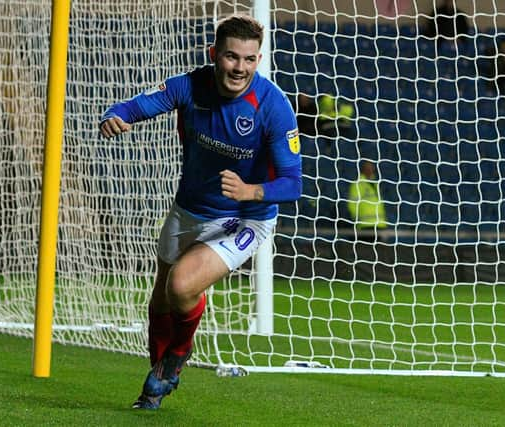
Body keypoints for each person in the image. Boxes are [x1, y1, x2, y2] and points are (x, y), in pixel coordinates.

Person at [99, 14, 302, 410]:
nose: (239, 68)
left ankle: (176, 357)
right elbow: (135, 104)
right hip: (189, 209)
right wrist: (115, 116)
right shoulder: (189, 85)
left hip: (245, 218)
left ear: (257, 60)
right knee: (160, 301)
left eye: (248, 59)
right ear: (214, 55)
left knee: (181, 285)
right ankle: (155, 384)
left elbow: (293, 183)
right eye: (230, 57)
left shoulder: (273, 106)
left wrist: (251, 190)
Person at [347, 160, 387, 242]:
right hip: (365, 226)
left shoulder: (375, 184)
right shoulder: (358, 184)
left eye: (372, 167)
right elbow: (352, 205)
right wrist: (358, 219)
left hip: (380, 225)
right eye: (368, 167)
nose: (371, 169)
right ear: (363, 169)